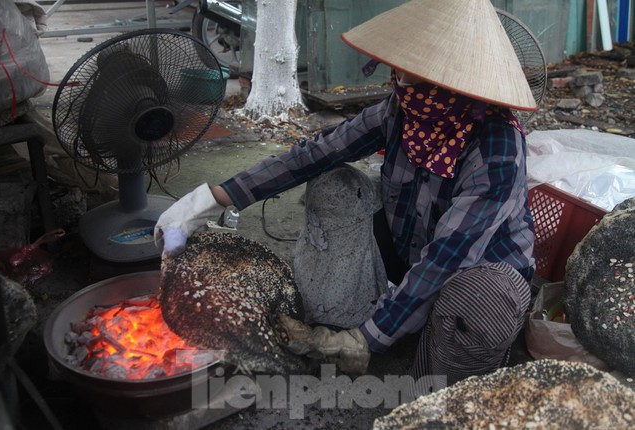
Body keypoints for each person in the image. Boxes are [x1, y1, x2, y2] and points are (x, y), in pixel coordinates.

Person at [155, 0, 536, 387]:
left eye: (412, 70)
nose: (398, 77)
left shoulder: (497, 147)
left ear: (449, 81)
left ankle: (436, 375)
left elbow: (447, 258)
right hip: (411, 246)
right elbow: (317, 154)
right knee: (332, 186)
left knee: (476, 303)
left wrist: (364, 340)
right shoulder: (402, 111)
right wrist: (215, 197)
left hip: (475, 272)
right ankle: (368, 313)